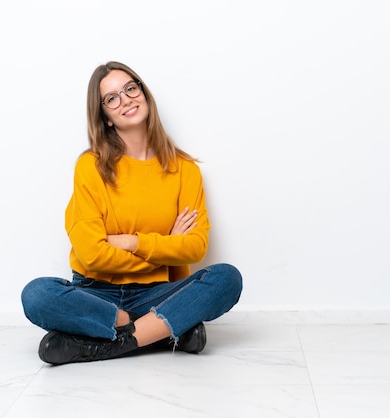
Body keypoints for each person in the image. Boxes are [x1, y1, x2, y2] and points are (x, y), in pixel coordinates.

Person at [21, 61, 243, 365]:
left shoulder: (186, 171)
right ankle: (161, 329)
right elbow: (91, 255)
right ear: (106, 118)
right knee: (36, 294)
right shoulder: (91, 166)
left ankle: (108, 341)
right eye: (112, 98)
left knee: (227, 278)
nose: (125, 99)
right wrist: (165, 248)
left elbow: (195, 248)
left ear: (144, 93)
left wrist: (131, 242)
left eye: (130, 88)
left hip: (155, 291)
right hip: (95, 292)